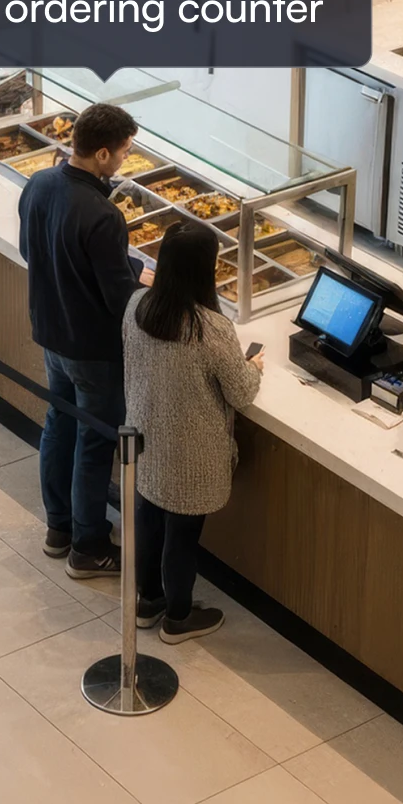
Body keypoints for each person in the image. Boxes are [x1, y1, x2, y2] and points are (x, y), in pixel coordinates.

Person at [19, 102, 147, 575]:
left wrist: (125, 267)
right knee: (95, 443)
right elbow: (119, 299)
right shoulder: (103, 215)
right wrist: (147, 287)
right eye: (123, 153)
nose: (124, 161)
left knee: (59, 421)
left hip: (50, 331)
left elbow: (32, 250)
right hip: (92, 347)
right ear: (100, 154)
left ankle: (59, 528)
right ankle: (89, 547)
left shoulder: (40, 182)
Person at [120, 220, 263, 643]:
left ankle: (148, 601)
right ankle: (179, 617)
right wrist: (253, 367)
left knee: (149, 519)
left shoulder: (137, 306)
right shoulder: (211, 330)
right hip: (192, 455)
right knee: (182, 536)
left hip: (144, 441)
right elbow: (242, 393)